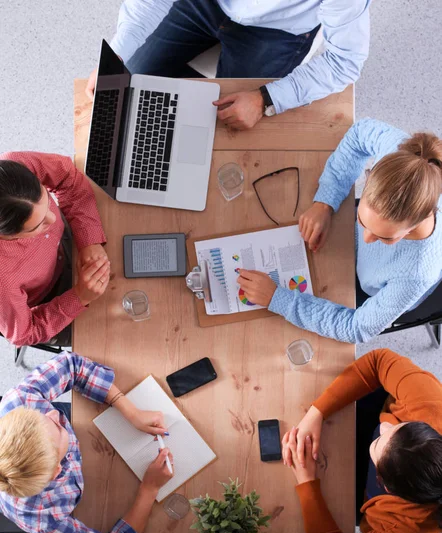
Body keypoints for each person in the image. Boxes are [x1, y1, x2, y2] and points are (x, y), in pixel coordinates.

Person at [238, 118, 442, 343]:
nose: (366, 238)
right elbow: (359, 132)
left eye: (384, 237)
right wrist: (325, 202)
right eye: (363, 221)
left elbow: (356, 329)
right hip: (354, 256)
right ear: (370, 175)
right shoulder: (403, 156)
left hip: (376, 290)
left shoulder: (416, 274)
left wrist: (277, 298)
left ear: (419, 221)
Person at [0, 351, 173, 533]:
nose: (55, 414)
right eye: (58, 429)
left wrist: (131, 412)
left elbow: (71, 364)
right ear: (56, 472)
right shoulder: (42, 518)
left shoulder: (21, 401)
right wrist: (149, 489)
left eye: (41, 416)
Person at [85, 0, 370, 130]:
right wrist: (117, 52)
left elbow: (344, 60)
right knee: (129, 77)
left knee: (229, 123)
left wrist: (265, 99)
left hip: (278, 30)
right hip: (203, 4)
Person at [282, 349, 442, 533]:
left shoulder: (410, 532)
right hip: (361, 416)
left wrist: (307, 480)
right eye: (397, 427)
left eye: (378, 444)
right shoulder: (431, 403)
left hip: (360, 496)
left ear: (384, 484)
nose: (385, 426)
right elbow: (379, 360)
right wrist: (316, 413)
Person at [0, 151, 110, 347]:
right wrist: (79, 297)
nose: (52, 219)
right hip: (50, 304)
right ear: (8, 236)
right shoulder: (3, 281)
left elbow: (67, 176)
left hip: (71, 243)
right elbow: (25, 334)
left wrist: (89, 240)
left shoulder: (14, 169)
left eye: (46, 199)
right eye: (38, 225)